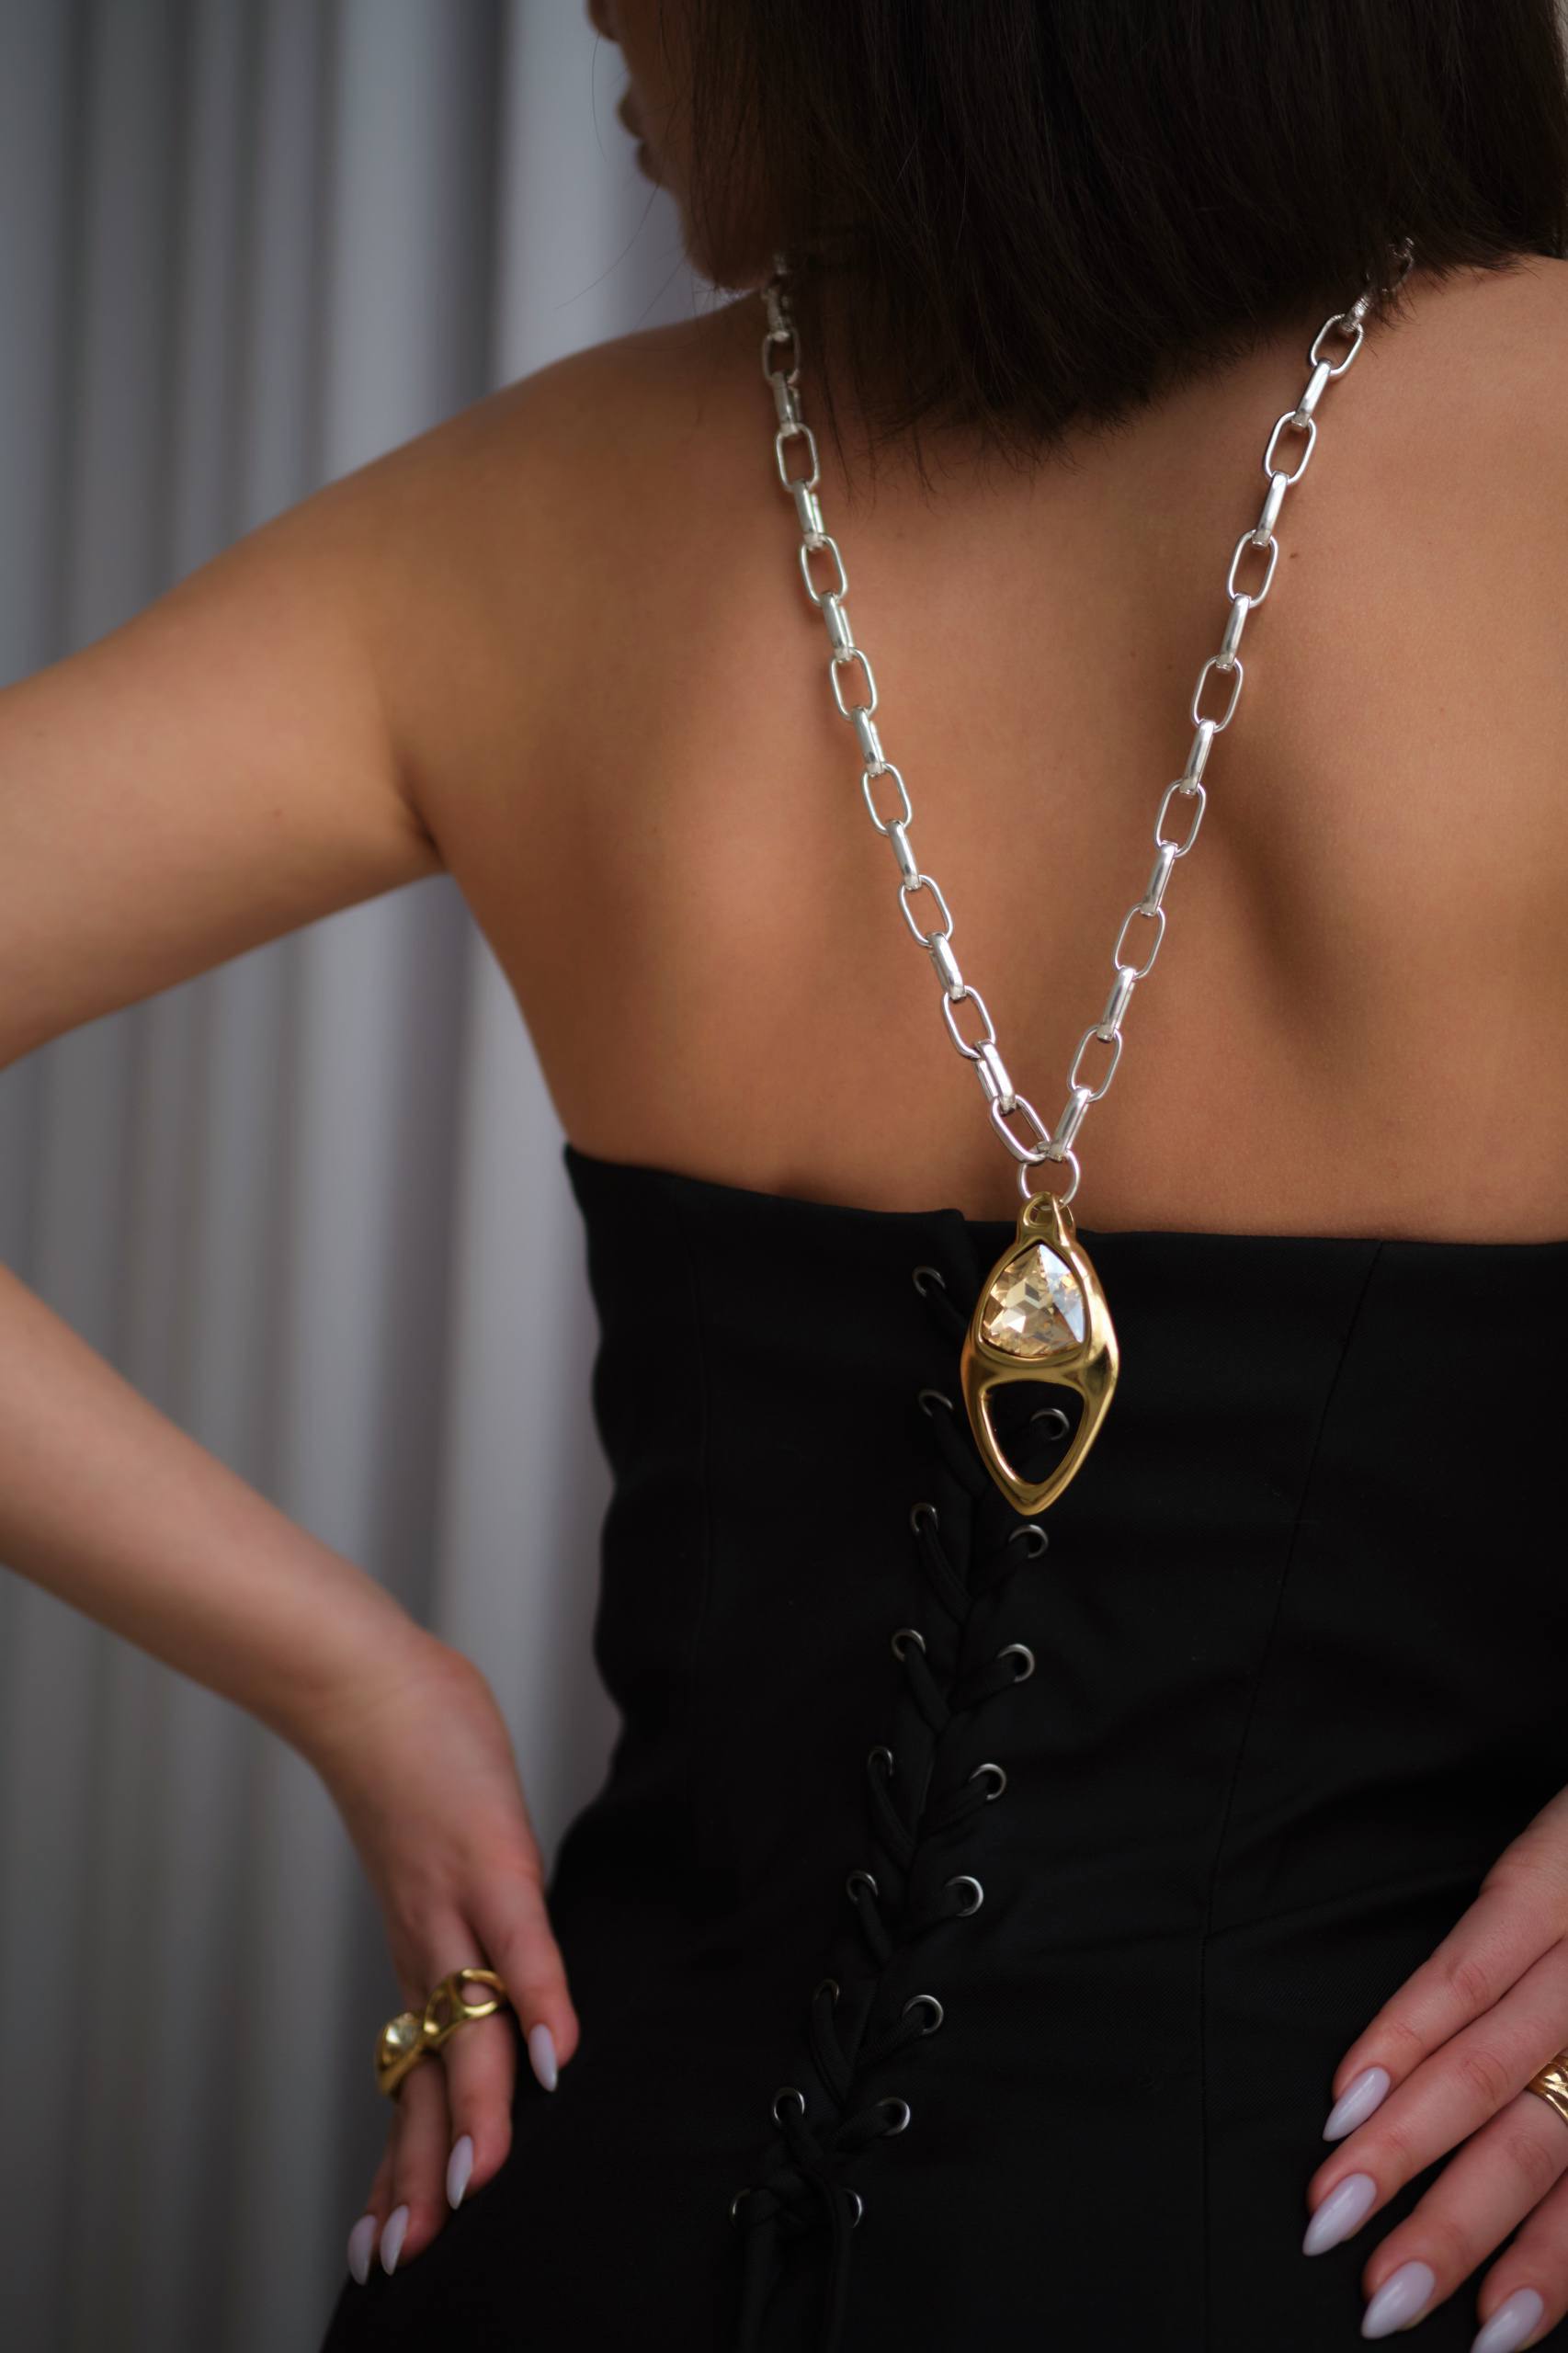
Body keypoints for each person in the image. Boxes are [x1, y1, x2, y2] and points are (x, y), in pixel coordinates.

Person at [3, 0, 1568, 2346]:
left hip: (575, 2227)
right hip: (1370, 2228)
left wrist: (363, 1679)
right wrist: (356, 1675)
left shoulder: (523, 522)